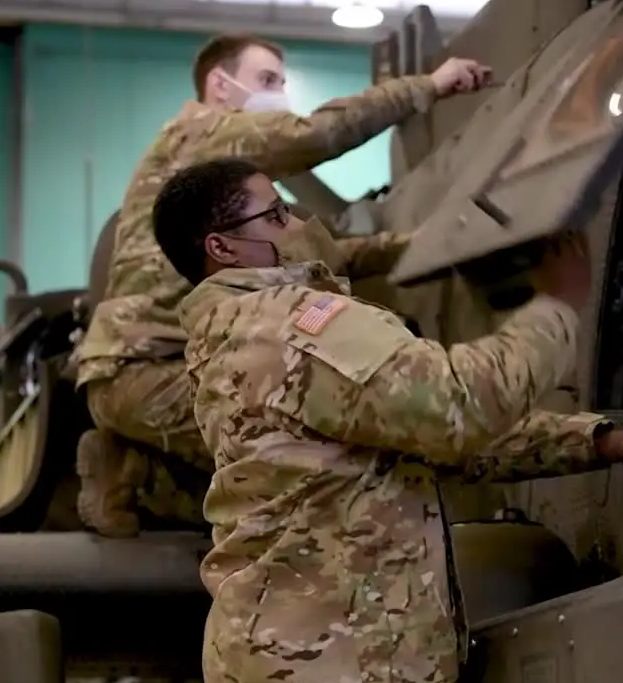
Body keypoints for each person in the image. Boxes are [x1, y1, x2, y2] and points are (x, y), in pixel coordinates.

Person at [153, 157, 623, 683]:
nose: (301, 226)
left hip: (300, 656)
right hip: (330, 665)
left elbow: (414, 434)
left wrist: (587, 440)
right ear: (222, 248)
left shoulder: (236, 334)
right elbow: (453, 405)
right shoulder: (287, 326)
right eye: (276, 215)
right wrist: (556, 308)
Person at [71, 32, 493, 537]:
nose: (278, 94)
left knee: (267, 473)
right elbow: (313, 134)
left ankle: (137, 472)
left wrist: (406, 244)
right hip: (146, 369)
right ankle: (136, 478)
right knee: (305, 455)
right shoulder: (203, 134)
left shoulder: (214, 180)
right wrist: (428, 85)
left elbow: (300, 258)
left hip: (142, 369)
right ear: (219, 86)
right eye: (266, 80)